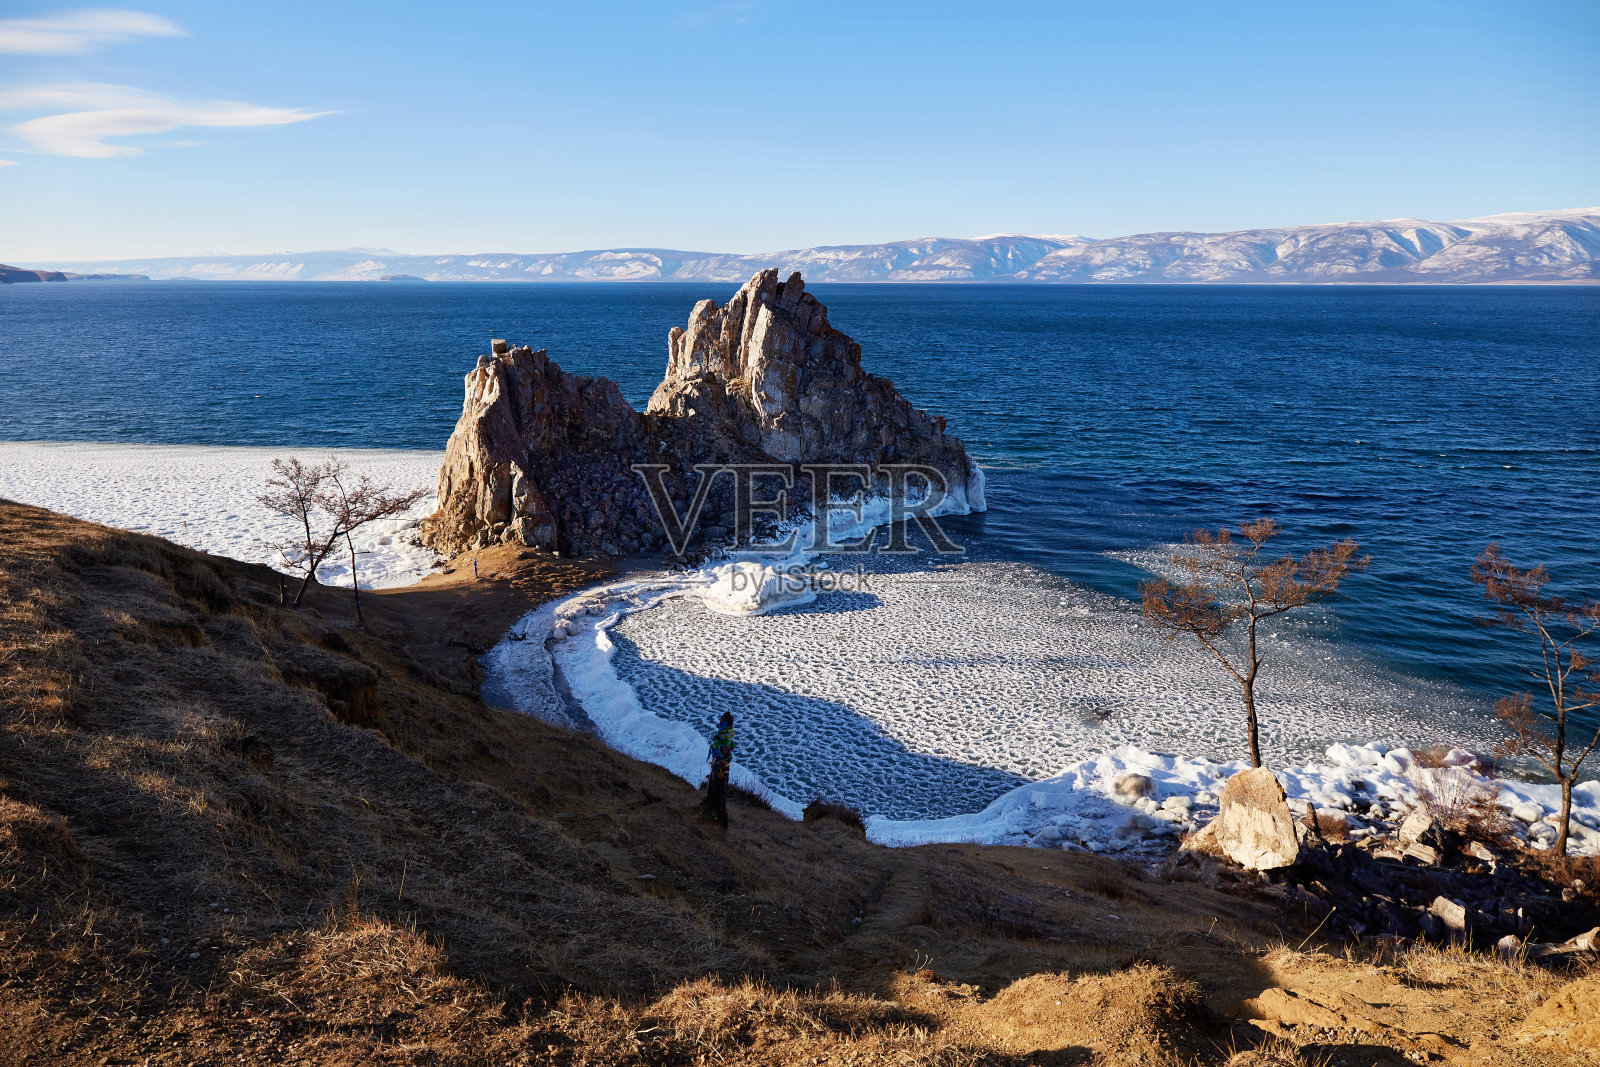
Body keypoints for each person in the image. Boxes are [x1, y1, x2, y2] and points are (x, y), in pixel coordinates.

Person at [702, 711, 735, 830]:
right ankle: (716, 813)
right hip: (723, 762)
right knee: (717, 784)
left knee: (718, 786)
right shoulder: (729, 734)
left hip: (720, 763)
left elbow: (719, 739)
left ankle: (717, 816)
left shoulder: (723, 733)